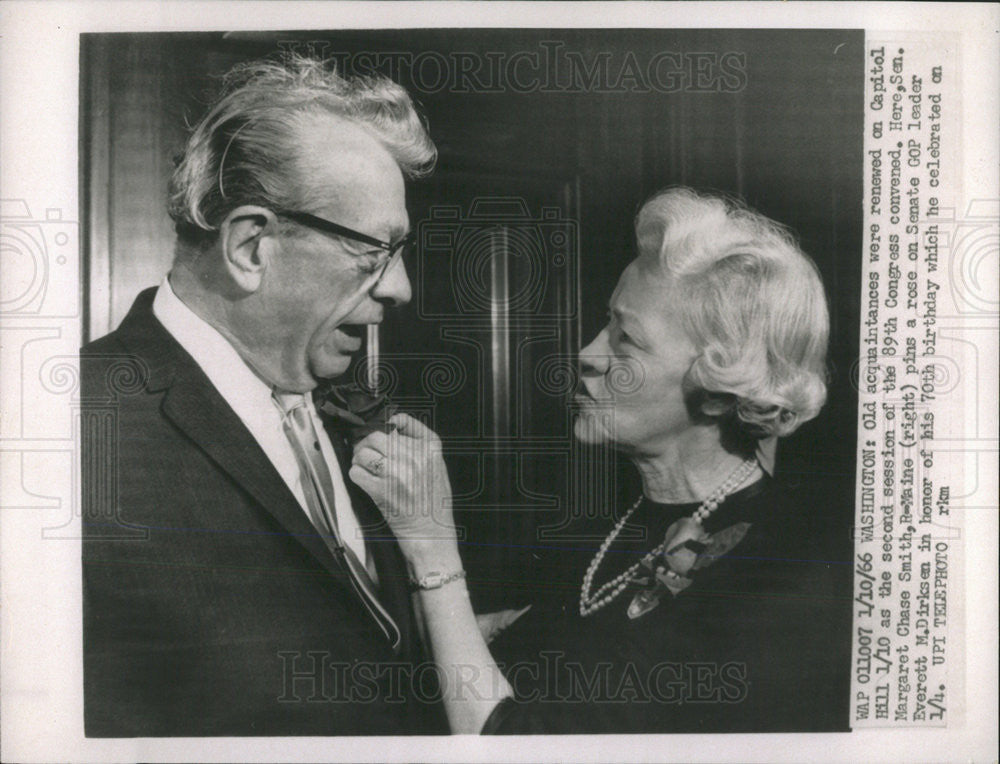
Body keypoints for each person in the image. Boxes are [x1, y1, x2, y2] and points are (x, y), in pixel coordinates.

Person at [352, 187, 847, 733]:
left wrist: (431, 546)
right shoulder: (615, 522)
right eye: (606, 323)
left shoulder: (772, 577)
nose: (588, 355)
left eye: (626, 339)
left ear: (718, 388)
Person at [80, 55, 448, 735]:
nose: (400, 289)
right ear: (252, 246)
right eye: (376, 254)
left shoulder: (340, 405)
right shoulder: (72, 432)